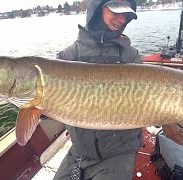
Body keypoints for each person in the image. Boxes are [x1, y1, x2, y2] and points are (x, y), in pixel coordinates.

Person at [54, 0, 143, 179]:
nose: (121, 18)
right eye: (115, 10)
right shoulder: (67, 57)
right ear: (96, 9)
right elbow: (48, 107)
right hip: (79, 151)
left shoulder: (131, 56)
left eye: (126, 14)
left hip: (119, 151)